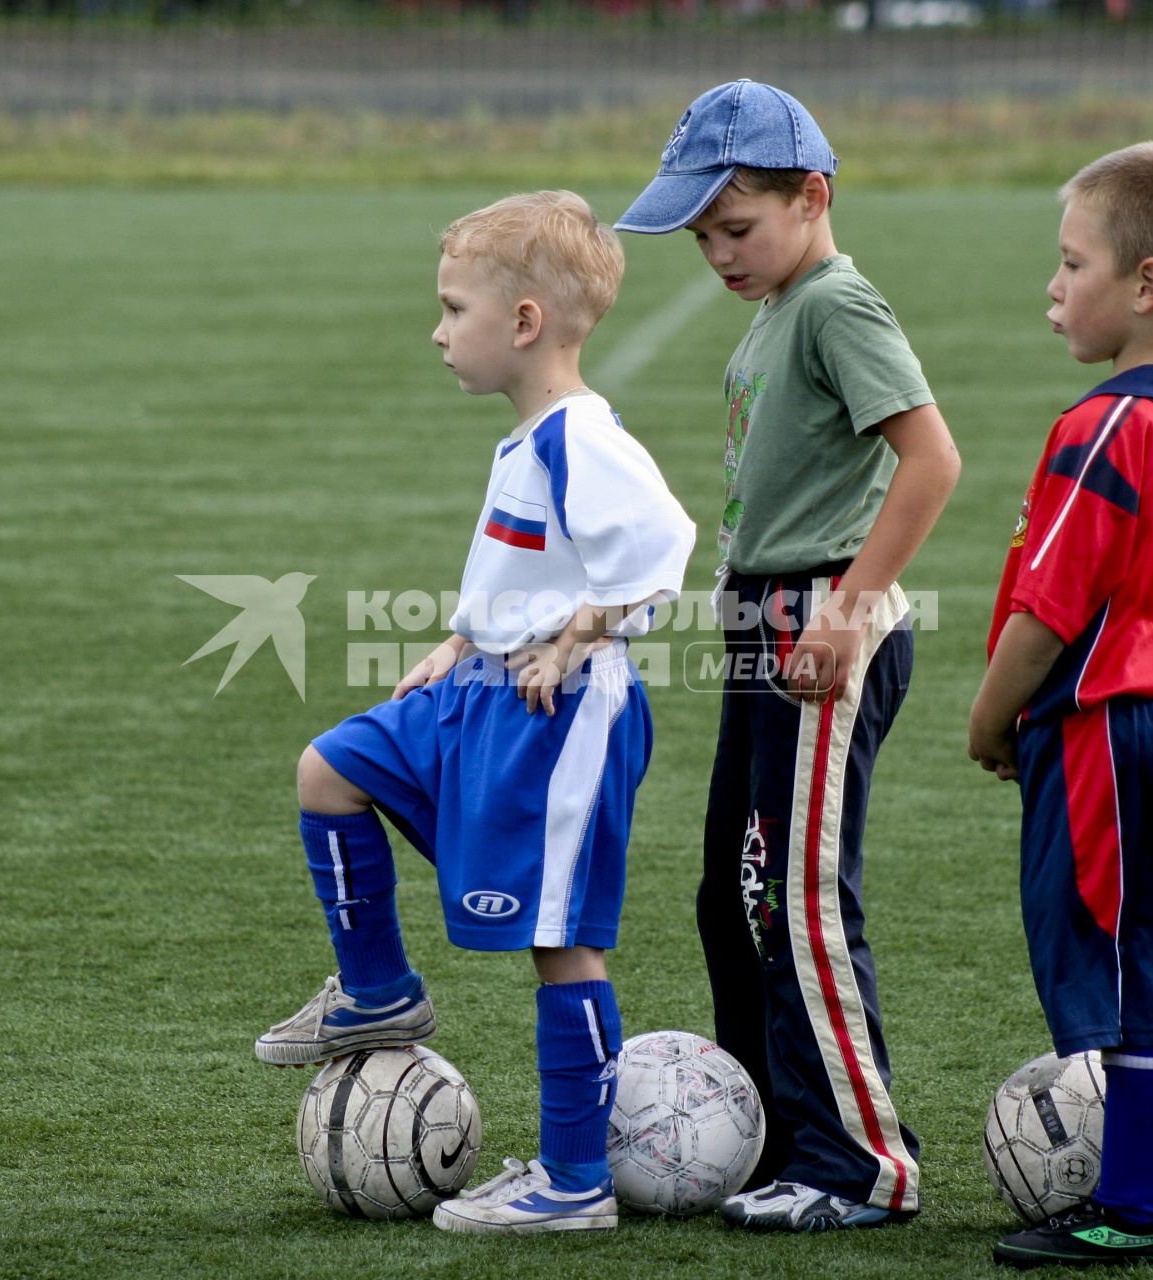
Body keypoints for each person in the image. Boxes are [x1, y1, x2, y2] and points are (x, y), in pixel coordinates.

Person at [253, 190, 696, 1237]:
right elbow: (527, 560)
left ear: (526, 322)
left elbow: (664, 549)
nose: (440, 330)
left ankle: (575, 1180)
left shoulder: (582, 435)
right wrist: (459, 639)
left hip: (558, 714)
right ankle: (377, 989)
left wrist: (580, 633)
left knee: (560, 942)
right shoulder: (530, 436)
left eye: (455, 309)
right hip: (480, 690)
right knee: (331, 768)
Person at [616, 80, 961, 1232]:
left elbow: (931, 462)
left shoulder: (835, 304)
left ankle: (861, 1162)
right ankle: (763, 1128)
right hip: (765, 617)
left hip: (818, 620)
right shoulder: (780, 305)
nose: (717, 252)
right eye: (702, 234)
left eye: (736, 226)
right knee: (734, 892)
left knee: (798, 899)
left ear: (812, 197)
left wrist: (846, 611)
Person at [967, 141, 1153, 1268]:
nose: (1053, 286)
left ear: (1145, 285)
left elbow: (1047, 604)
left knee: (1121, 962)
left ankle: (1136, 1208)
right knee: (1147, 943)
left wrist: (990, 716)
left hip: (1105, 730)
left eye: (1071, 262)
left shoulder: (1108, 427)